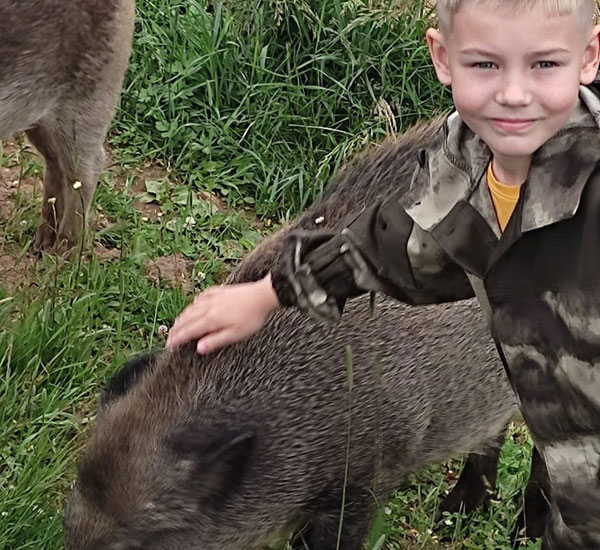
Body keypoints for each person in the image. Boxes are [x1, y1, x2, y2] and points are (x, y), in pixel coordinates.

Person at [167, 1, 600, 547]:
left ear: (589, 57)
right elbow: (403, 246)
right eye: (485, 64)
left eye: (544, 64)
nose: (514, 94)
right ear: (443, 59)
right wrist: (270, 293)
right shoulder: (471, 159)